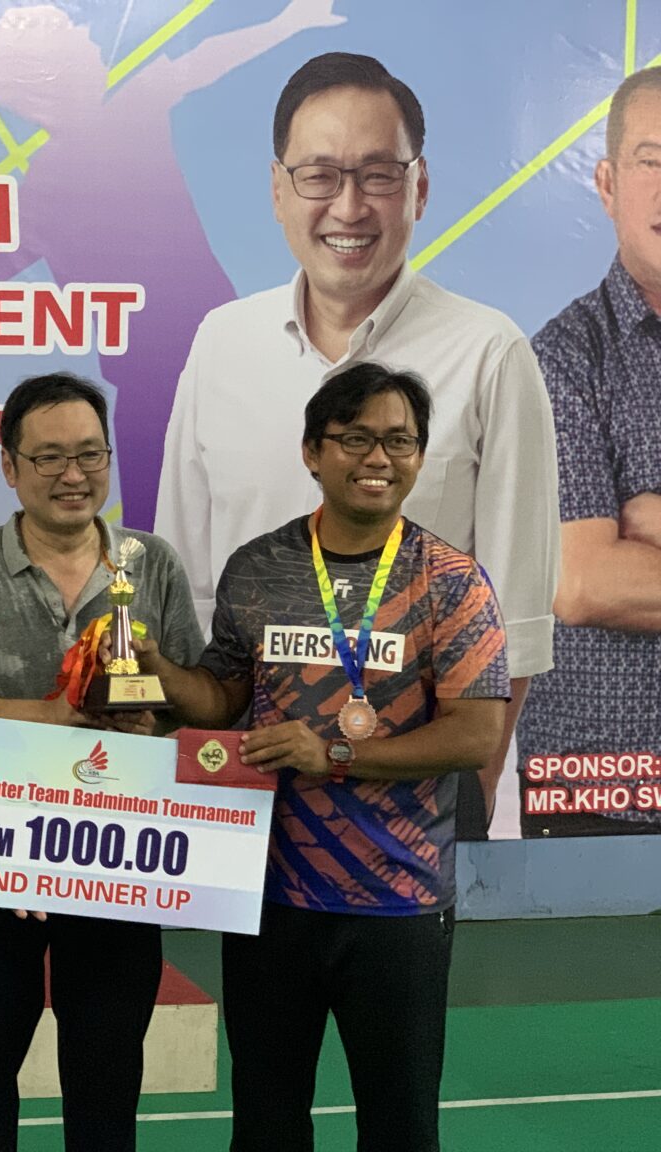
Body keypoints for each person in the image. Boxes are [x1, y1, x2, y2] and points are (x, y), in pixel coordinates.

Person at [155, 51, 556, 835]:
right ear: (278, 189)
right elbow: (185, 588)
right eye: (319, 176)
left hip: (410, 805)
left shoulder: (489, 353)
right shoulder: (221, 344)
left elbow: (514, 625)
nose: (348, 206)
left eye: (377, 175)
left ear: (420, 187)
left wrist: (464, 805)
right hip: (243, 793)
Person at [142, 362, 508, 1151]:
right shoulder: (258, 568)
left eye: (400, 441)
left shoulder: (451, 582)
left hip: (399, 903)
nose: (379, 458)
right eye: (356, 439)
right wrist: (154, 670)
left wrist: (333, 752)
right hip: (270, 897)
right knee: (266, 1124)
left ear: (419, 456)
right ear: (313, 452)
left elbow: (476, 734)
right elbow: (221, 697)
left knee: (400, 1127)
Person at [0, 372, 204, 1152]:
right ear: (10, 467)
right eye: (48, 457)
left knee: (107, 1073)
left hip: (115, 852)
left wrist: (155, 709)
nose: (72, 474)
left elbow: (190, 695)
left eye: (89, 454)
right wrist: (57, 716)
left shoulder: (151, 564)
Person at [518, 65, 661, 836]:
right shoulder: (563, 359)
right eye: (650, 161)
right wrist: (615, 551)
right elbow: (582, 582)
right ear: (607, 184)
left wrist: (645, 527)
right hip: (598, 796)